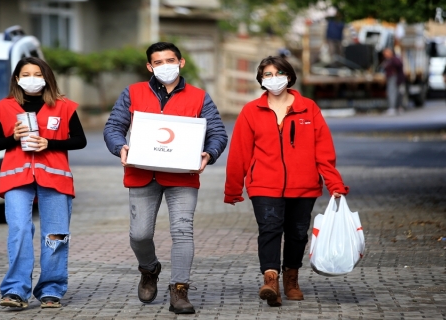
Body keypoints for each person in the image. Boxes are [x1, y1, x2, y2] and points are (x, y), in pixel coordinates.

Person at [103, 42, 228, 314]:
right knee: (140, 234)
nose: (165, 66)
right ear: (150, 66)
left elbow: (217, 132)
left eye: (170, 60)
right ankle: (149, 269)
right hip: (141, 172)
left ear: (181, 62)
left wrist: (209, 153)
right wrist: (119, 146)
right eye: (158, 62)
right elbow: (114, 126)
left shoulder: (199, 97)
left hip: (182, 175)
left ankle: (179, 290)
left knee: (183, 231)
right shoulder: (133, 92)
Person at [224, 56, 349, 307]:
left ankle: (291, 279)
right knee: (269, 230)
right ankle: (271, 280)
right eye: (267, 75)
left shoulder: (308, 108)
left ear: (289, 76)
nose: (273, 79)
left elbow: (323, 150)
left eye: (278, 73)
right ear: (261, 79)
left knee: (297, 234)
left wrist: (335, 184)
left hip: (304, 185)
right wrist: (233, 189)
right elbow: (240, 152)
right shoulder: (251, 111)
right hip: (264, 184)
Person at [0, 56, 87, 309]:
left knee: (55, 236)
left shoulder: (64, 106)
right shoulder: (4, 107)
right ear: (17, 79)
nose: (32, 79)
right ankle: (15, 291)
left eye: (37, 74)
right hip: (16, 178)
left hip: (55, 177)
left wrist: (49, 143)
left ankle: (51, 290)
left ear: (46, 78)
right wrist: (13, 136)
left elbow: (80, 141)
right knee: (19, 230)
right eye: (26, 74)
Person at [381, 48, 405, 115]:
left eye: (386, 53)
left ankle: (393, 108)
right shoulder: (388, 60)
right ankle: (397, 107)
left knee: (393, 93)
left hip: (394, 78)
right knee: (396, 93)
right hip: (393, 78)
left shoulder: (394, 59)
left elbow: (399, 65)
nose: (385, 55)